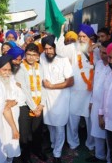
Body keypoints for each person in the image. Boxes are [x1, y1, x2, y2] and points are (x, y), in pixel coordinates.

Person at [56, 24, 96, 153]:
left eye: (84, 36)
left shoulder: (96, 50)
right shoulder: (73, 47)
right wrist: (61, 32)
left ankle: (91, 144)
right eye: (79, 36)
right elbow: (60, 50)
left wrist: (98, 46)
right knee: (72, 120)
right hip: (74, 90)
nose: (81, 39)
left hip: (90, 92)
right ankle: (73, 143)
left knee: (90, 122)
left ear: (90, 37)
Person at [40, 35, 74, 163]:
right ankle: (53, 145)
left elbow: (70, 81)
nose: (48, 51)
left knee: (59, 127)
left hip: (60, 99)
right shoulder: (42, 57)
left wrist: (52, 86)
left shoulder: (63, 58)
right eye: (46, 48)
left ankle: (57, 153)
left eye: (50, 48)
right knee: (50, 125)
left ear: (55, 48)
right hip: (46, 98)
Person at [15, 43, 47, 163]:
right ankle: (26, 155)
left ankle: (37, 150)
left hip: (39, 104)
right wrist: (34, 108)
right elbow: (24, 90)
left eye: (34, 55)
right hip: (25, 106)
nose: (31, 57)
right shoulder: (20, 68)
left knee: (37, 131)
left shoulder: (41, 67)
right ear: (25, 54)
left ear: (38, 56)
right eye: (28, 54)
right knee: (25, 133)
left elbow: (44, 87)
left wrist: (42, 104)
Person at [0, 55, 27, 162]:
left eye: (9, 70)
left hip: (14, 118)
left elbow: (22, 97)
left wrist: (14, 101)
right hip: (3, 122)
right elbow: (4, 106)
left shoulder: (12, 80)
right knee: (2, 149)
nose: (7, 72)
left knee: (12, 148)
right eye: (4, 70)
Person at [86, 41, 111, 162]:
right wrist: (91, 101)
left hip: (108, 107)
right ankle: (99, 156)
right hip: (96, 104)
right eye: (101, 52)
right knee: (96, 132)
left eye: (105, 53)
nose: (102, 55)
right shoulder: (99, 64)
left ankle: (109, 159)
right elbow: (95, 84)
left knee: (108, 136)